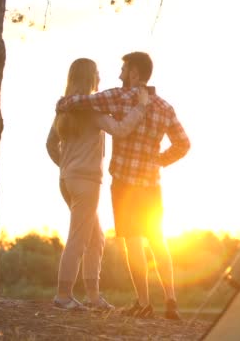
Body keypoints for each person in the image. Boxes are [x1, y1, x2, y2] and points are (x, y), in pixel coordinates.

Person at [56, 51, 190, 320]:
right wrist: (159, 160)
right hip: (152, 184)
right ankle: (171, 300)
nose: (119, 75)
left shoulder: (118, 96)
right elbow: (184, 143)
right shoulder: (165, 107)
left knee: (133, 243)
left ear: (135, 74)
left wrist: (63, 102)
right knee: (157, 241)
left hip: (125, 186)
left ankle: (143, 303)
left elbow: (83, 101)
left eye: (123, 69)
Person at [46, 57, 149, 310]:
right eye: (98, 74)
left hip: (67, 179)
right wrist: (141, 108)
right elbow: (121, 129)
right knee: (78, 239)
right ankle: (63, 296)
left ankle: (93, 298)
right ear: (90, 78)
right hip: (86, 182)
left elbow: (50, 144)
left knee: (96, 238)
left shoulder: (64, 109)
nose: (101, 78)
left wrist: (67, 167)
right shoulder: (92, 111)